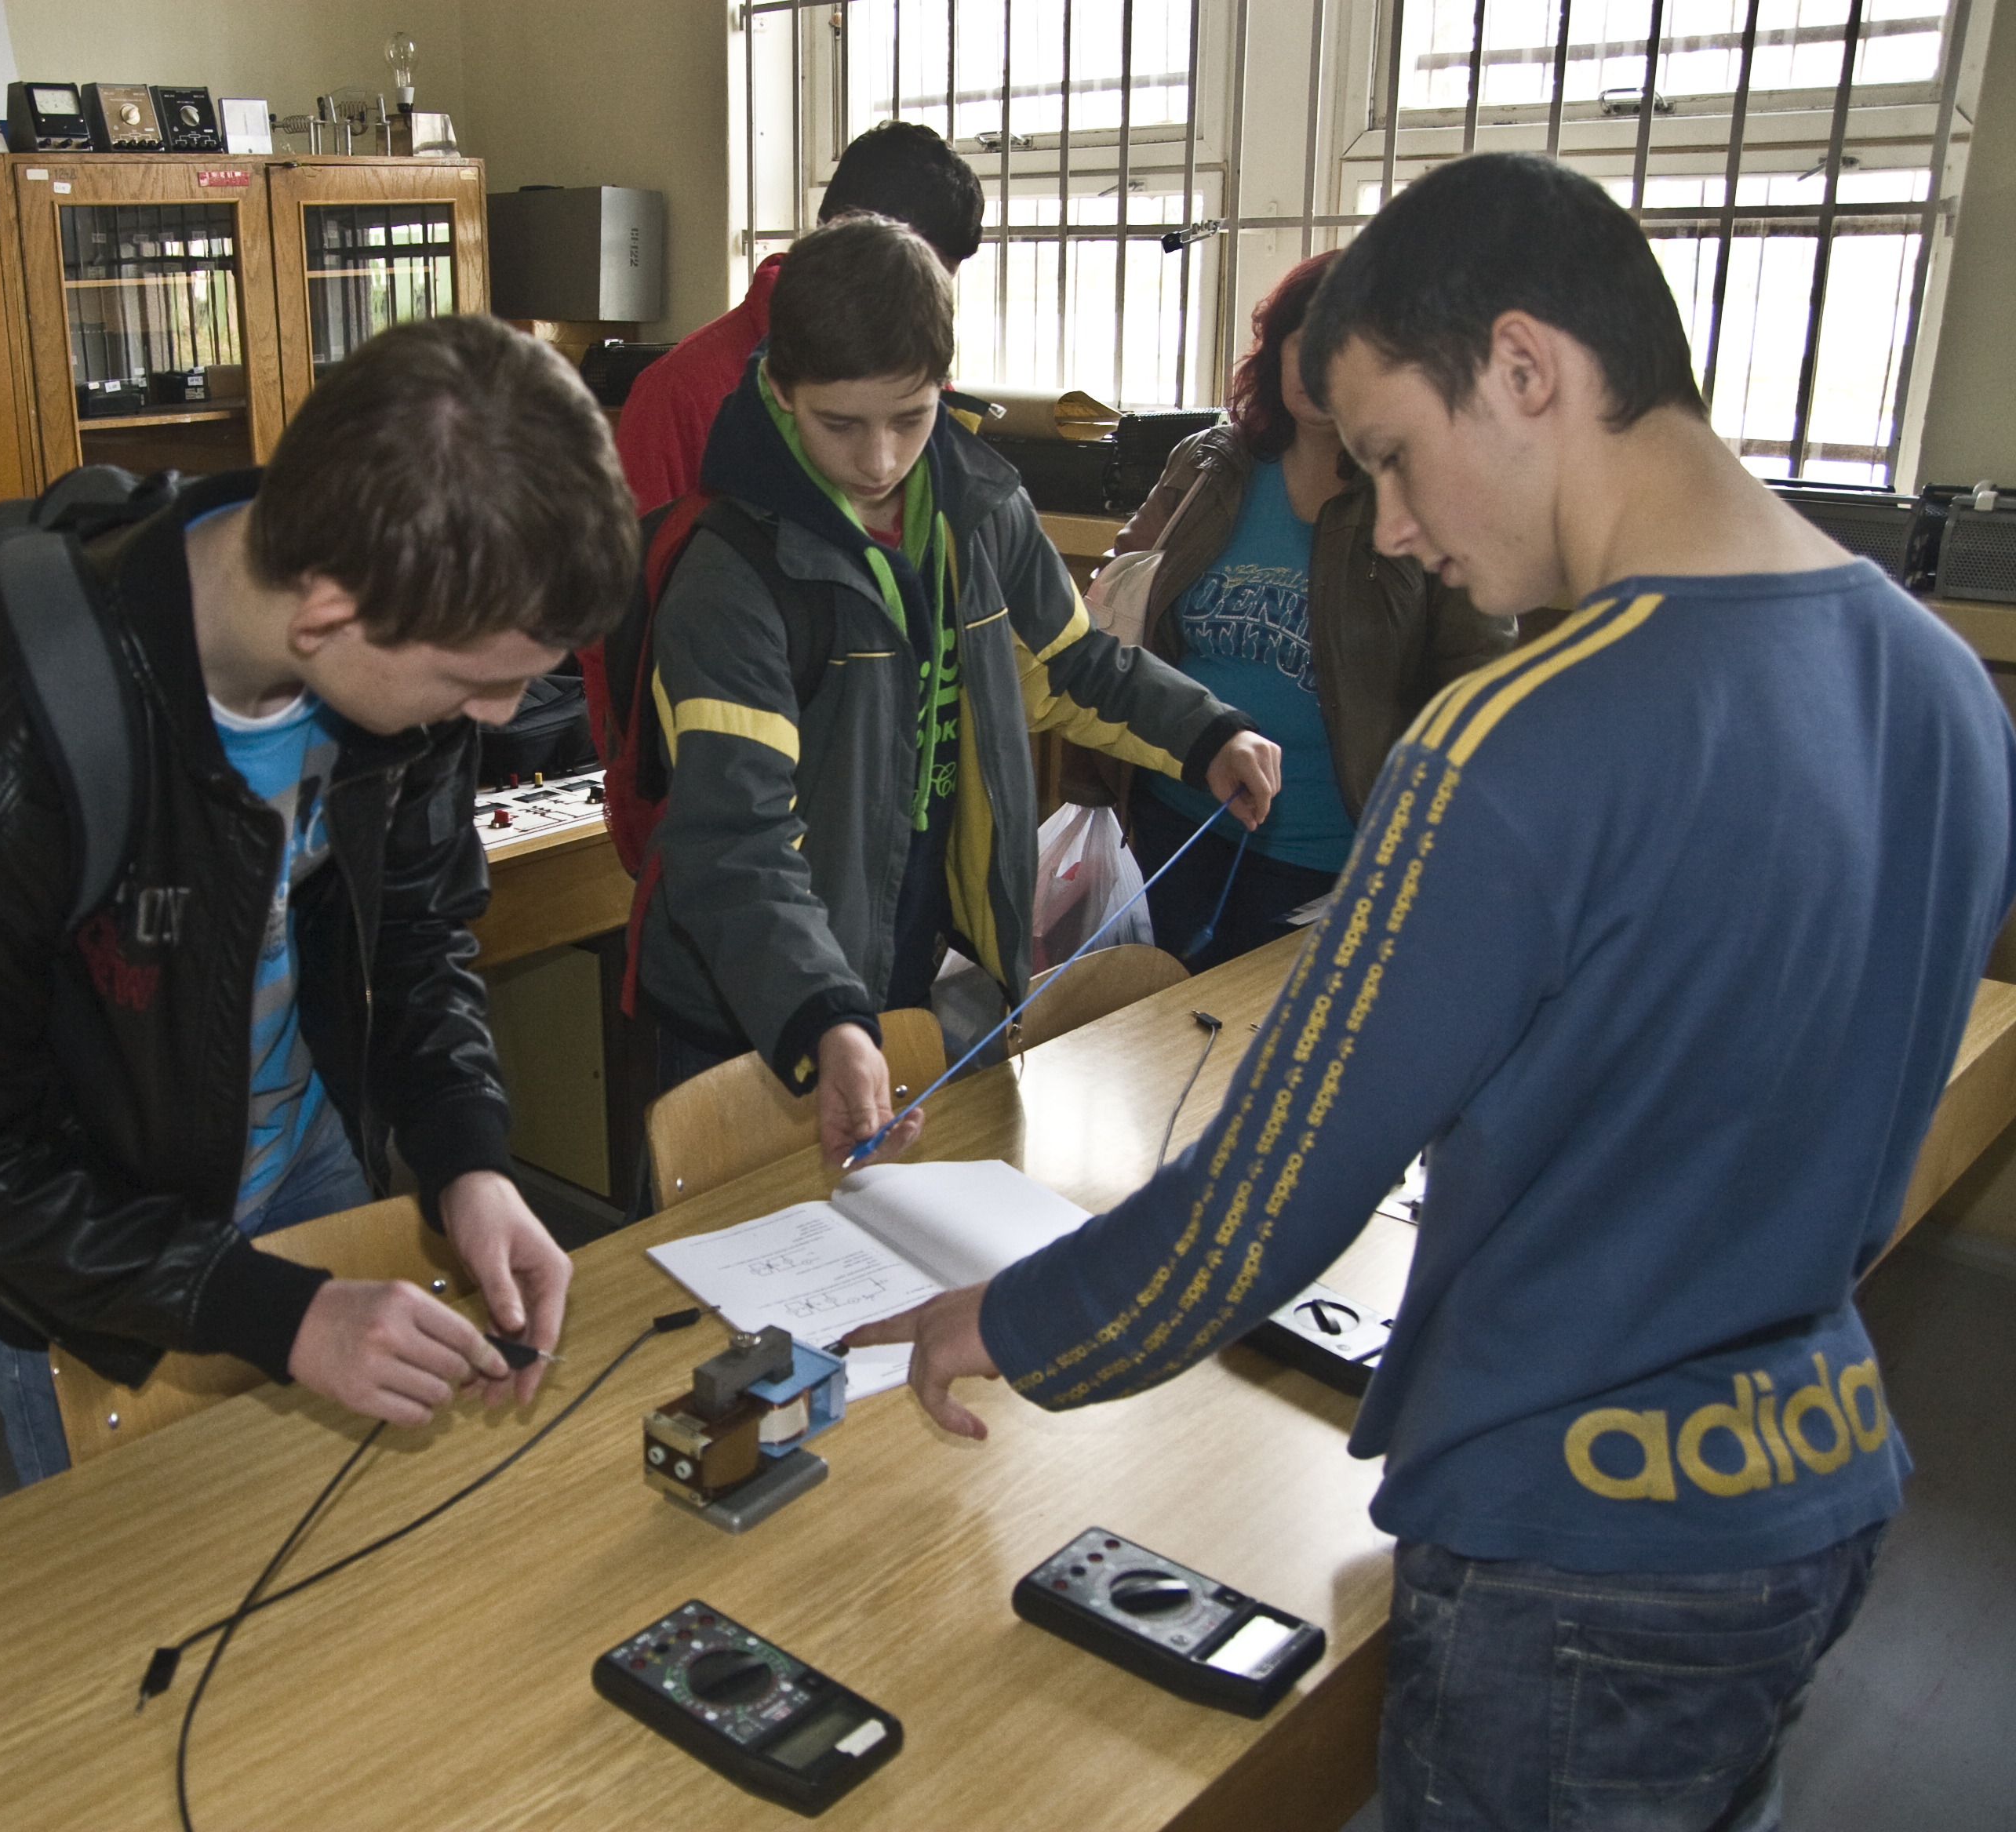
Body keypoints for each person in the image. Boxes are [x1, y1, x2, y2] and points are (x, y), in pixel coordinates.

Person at [849, 152, 2016, 1830]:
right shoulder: (1942, 686)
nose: (1386, 523)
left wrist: (1006, 1321)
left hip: (1573, 1546)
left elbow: (1260, 1205)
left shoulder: (1512, 739)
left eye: (1392, 454)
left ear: (1525, 369)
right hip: (1810, 1490)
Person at [0, 316, 638, 1485]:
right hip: (87, 1245)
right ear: (326, 618)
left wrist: (467, 1157)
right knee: (146, 1570)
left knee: (341, 1536)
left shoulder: (402, 647)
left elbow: (417, 936)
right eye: (482, 681)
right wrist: (272, 1311)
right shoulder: (3, 747)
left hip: (301, 1151)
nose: (499, 716)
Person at [638, 215, 1280, 1168]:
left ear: (943, 384)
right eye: (840, 424)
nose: (880, 460)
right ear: (779, 389)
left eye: (909, 418)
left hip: (899, 964)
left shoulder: (982, 508)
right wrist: (823, 1015)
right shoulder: (731, 575)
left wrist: (1207, 732)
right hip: (750, 1001)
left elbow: (1073, 665)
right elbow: (736, 841)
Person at [1104, 252, 1514, 968]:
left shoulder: (1435, 495)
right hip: (1178, 816)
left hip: (1325, 846)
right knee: (1153, 1020)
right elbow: (1119, 594)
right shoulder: (1209, 463)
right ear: (1276, 351)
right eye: (1304, 341)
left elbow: (1477, 678)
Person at [615, 121, 984, 513]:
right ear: (838, 232)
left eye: (939, 280)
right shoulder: (678, 393)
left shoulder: (918, 374)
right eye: (838, 423)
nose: (880, 464)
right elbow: (639, 549)